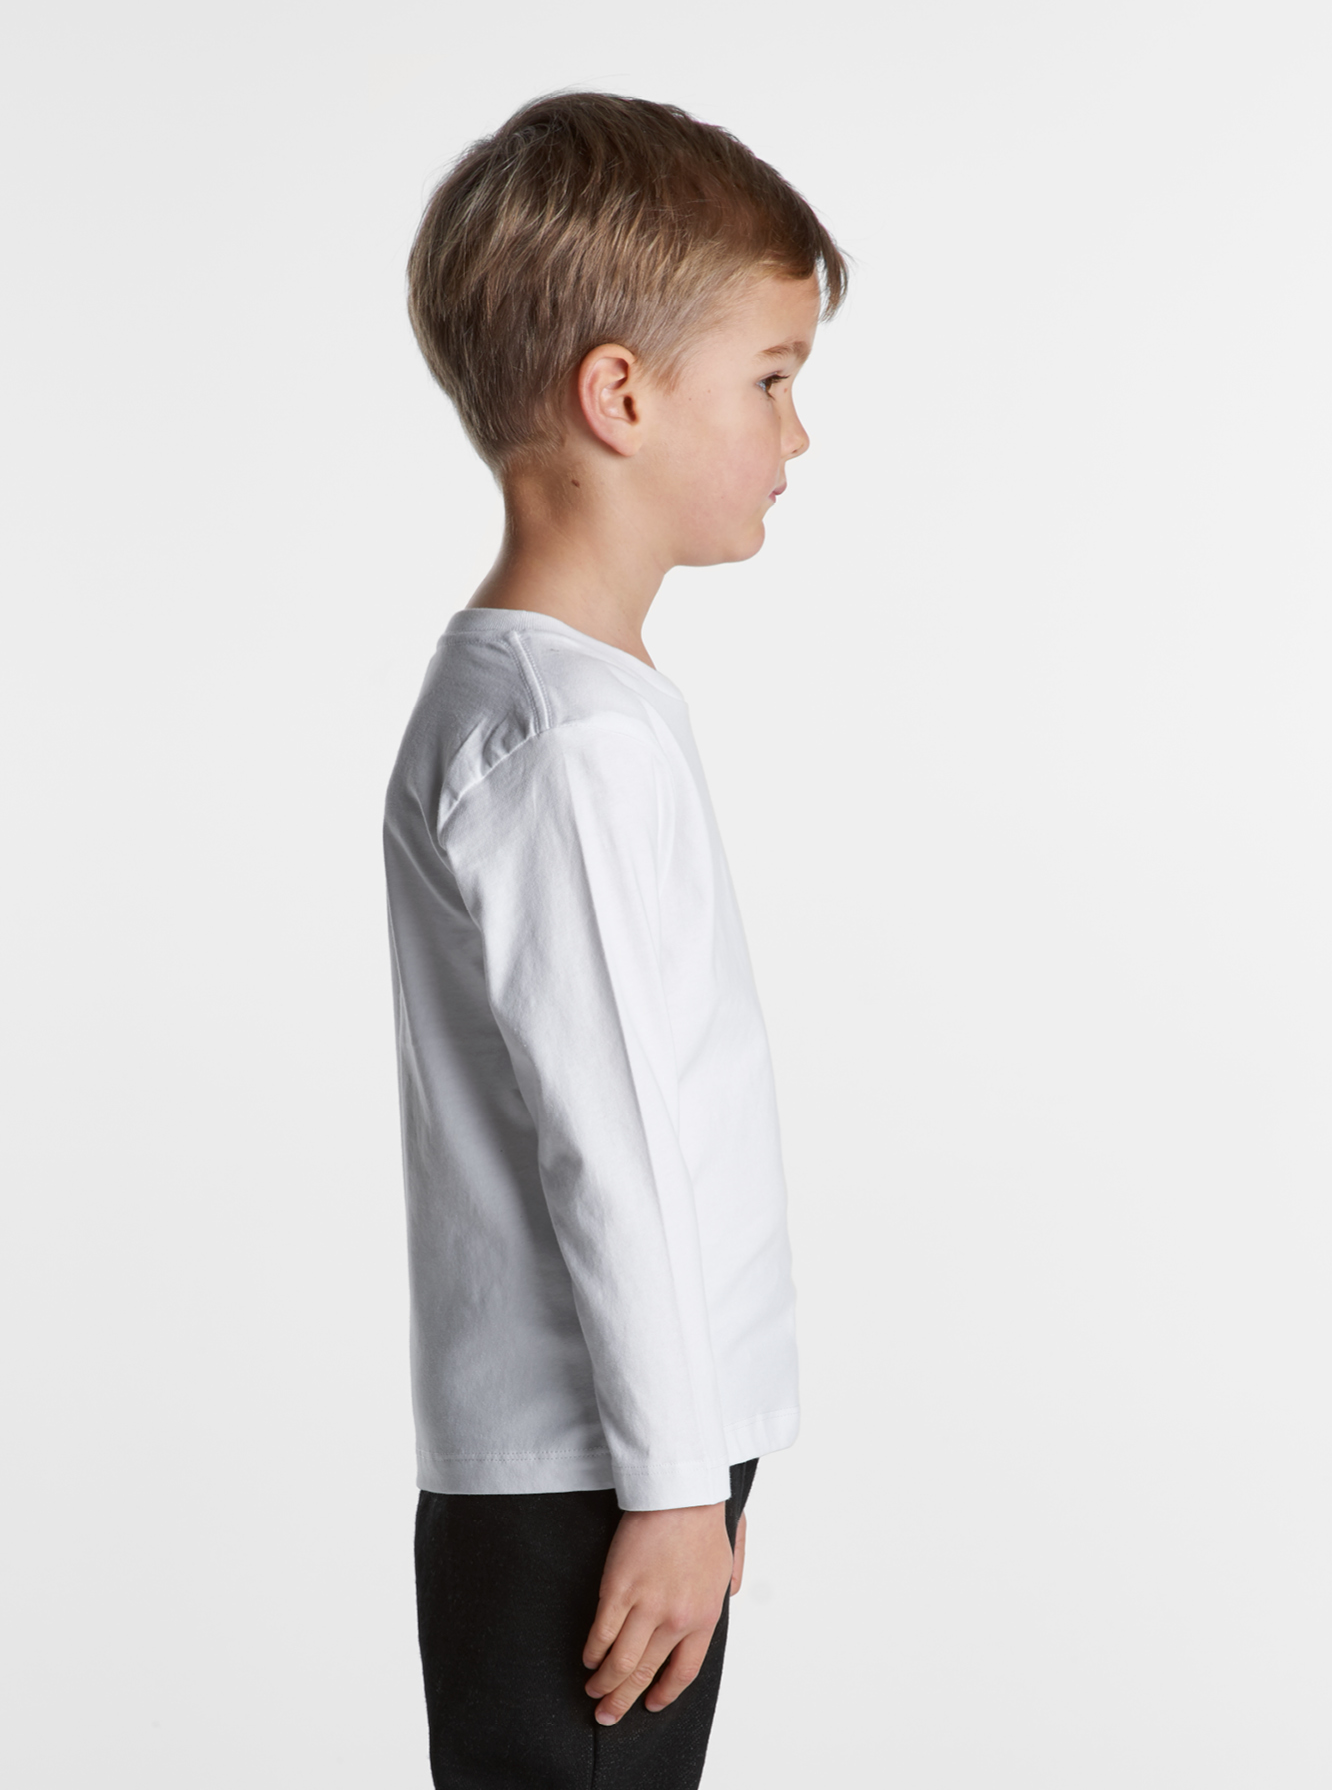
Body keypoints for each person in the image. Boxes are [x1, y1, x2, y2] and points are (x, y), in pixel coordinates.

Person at [384, 91, 847, 1788]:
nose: (799, 433)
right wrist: (668, 1486)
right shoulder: (558, 739)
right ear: (622, 396)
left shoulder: (576, 704)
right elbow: (614, 1138)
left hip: (627, 1456)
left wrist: (689, 1467)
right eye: (773, 378)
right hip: (592, 1471)